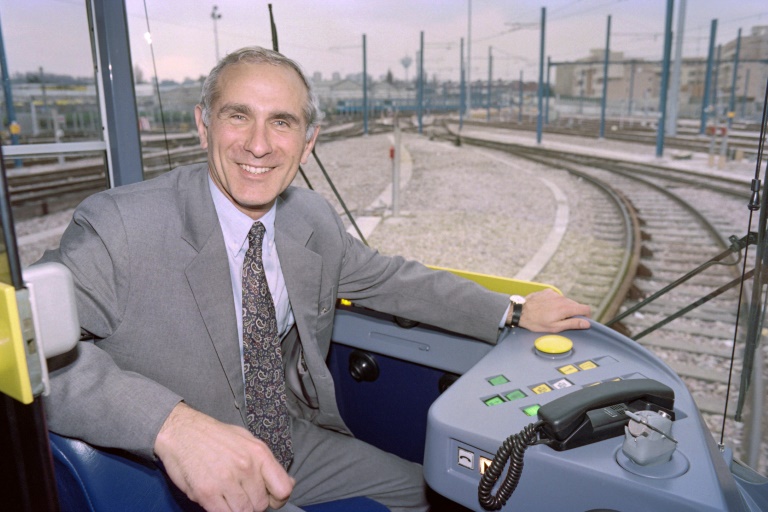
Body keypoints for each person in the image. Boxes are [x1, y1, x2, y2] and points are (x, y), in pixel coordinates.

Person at [40, 46, 591, 512]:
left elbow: (394, 280)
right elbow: (28, 351)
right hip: (169, 469)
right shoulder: (120, 227)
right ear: (203, 124)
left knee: (427, 492)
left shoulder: (310, 219)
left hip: (285, 439)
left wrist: (513, 310)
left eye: (282, 122)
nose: (259, 144)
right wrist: (172, 426)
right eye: (238, 116)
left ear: (308, 142)